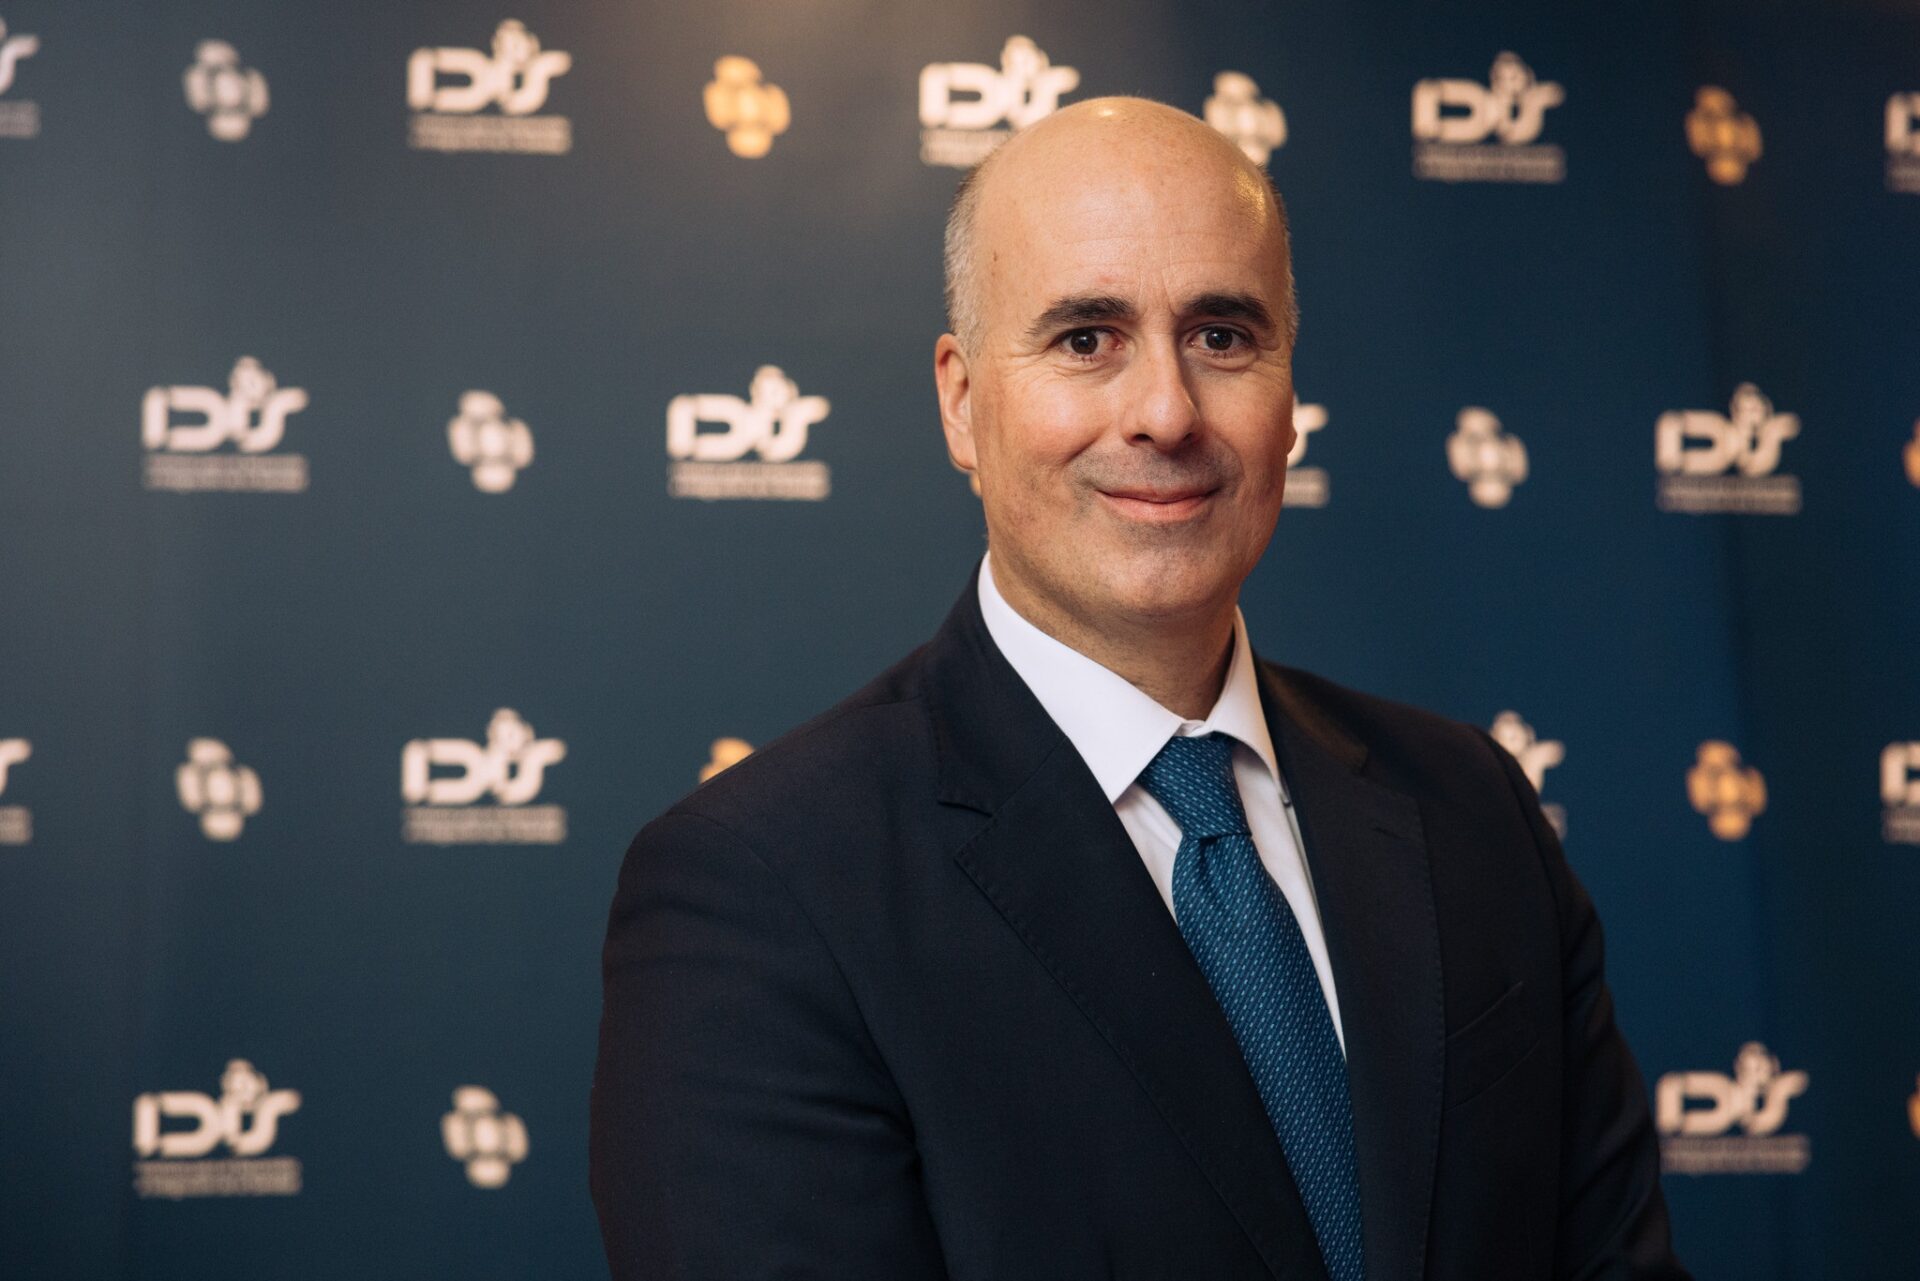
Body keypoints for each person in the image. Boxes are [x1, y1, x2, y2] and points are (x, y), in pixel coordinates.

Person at [591, 97, 1686, 1281]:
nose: (1165, 412)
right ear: (962, 401)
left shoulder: (1471, 808)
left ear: (1289, 395)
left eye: (1221, 335)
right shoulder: (764, 886)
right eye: (1085, 340)